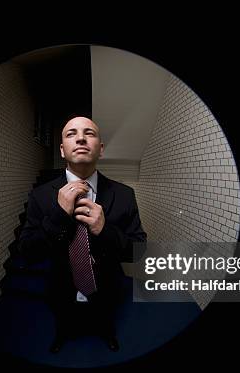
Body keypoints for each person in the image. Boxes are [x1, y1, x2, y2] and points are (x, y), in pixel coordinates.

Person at [18, 116, 147, 353]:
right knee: (63, 319)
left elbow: (139, 252)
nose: (80, 138)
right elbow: (27, 253)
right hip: (60, 285)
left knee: (105, 317)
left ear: (100, 148)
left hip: (107, 285)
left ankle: (108, 334)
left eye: (89, 133)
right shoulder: (40, 196)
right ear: (62, 150)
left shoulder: (125, 195)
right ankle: (62, 335)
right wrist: (58, 216)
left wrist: (105, 231)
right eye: (71, 134)